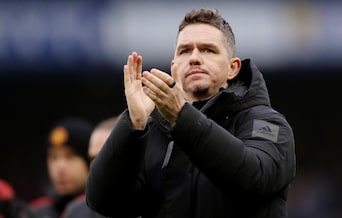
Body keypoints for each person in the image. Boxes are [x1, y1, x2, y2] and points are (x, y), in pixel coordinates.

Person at [86, 8, 296, 218]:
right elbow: (104, 202)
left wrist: (181, 116)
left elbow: (254, 176)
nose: (194, 58)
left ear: (233, 68)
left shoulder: (266, 122)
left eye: (208, 50)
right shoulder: (152, 130)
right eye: (185, 51)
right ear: (174, 67)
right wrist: (133, 125)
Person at [29, 117, 93, 218]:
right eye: (53, 157)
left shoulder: (105, 209)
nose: (60, 167)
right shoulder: (36, 211)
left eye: (70, 156)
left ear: (91, 161)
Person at [62, 116, 119, 218]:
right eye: (92, 158)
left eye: (104, 156)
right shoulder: (76, 212)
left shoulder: (153, 208)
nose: (95, 165)